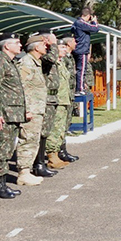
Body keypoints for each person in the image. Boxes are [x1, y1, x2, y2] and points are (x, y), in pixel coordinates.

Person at [0, 33, 26, 199]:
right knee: (0, 150)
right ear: (7, 46)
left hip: (13, 114)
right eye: (17, 42)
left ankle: (3, 185)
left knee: (7, 150)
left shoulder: (10, 63)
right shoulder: (0, 63)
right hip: (4, 115)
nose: (20, 45)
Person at [15, 35, 49, 186]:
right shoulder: (27, 63)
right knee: (27, 140)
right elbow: (21, 87)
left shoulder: (36, 62)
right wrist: (26, 110)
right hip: (31, 110)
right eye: (43, 44)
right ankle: (23, 173)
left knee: (33, 141)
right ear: (36, 47)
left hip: (37, 109)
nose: (46, 46)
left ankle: (26, 171)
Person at [33, 31, 61, 178]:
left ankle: (40, 162)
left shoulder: (47, 52)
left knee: (45, 132)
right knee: (41, 132)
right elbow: (51, 59)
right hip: (44, 98)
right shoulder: (41, 54)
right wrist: (54, 44)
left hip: (51, 97)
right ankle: (38, 164)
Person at [46, 39, 74, 169]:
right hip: (56, 100)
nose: (64, 49)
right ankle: (51, 156)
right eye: (61, 47)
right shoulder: (52, 64)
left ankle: (56, 153)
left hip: (64, 100)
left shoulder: (61, 63)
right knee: (55, 129)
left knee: (61, 129)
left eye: (64, 47)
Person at [71, 7, 99, 94]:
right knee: (82, 70)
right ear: (88, 15)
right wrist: (94, 21)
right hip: (82, 49)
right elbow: (95, 28)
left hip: (78, 49)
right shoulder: (80, 23)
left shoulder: (76, 23)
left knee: (79, 70)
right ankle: (80, 88)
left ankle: (79, 87)